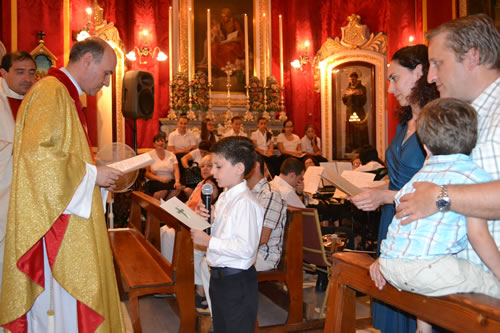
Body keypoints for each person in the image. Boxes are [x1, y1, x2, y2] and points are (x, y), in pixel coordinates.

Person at [0, 37, 125, 332]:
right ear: (87, 61)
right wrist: (93, 176)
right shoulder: (51, 92)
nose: (107, 83)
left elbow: (63, 154)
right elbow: (38, 157)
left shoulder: (63, 94)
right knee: (58, 309)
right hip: (53, 228)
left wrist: (95, 168)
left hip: (63, 216)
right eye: (107, 73)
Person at [371, 98, 500, 333]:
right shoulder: (473, 176)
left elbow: (404, 222)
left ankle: (423, 326)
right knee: (488, 283)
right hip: (425, 270)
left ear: (426, 148)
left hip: (389, 264)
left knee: (431, 258)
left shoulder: (420, 176)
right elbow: (478, 235)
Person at [350, 44, 439, 333]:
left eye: (394, 78)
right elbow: (398, 178)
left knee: (415, 308)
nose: (390, 89)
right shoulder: (404, 124)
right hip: (392, 221)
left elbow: (437, 185)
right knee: (389, 307)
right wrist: (371, 193)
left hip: (419, 223)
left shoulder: (437, 120)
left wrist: (384, 196)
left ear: (419, 72)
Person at [395, 14, 500, 244]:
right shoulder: (463, 115)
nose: (431, 77)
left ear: (472, 57)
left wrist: (439, 196)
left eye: (437, 63)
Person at [190, 137, 263, 333]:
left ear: (239, 168)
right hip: (219, 279)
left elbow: (246, 248)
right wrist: (209, 222)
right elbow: (227, 233)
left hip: (236, 283)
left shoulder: (245, 203)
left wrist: (208, 241)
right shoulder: (223, 197)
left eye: (218, 166)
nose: (212, 172)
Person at [0, 51, 36, 321]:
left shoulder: (37, 103)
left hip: (31, 198)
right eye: (20, 72)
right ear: (3, 73)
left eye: (31, 72)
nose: (27, 78)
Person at [247, 153, 287, 272]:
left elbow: (263, 238)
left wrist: (233, 246)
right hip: (248, 249)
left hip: (264, 255)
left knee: (221, 264)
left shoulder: (270, 194)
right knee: (204, 260)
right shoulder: (246, 192)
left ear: (255, 166)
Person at [144, 133, 182, 200]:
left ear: (165, 144)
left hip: (169, 180)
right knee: (163, 191)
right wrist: (160, 179)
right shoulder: (149, 155)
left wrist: (177, 181)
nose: (160, 143)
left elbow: (176, 169)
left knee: (177, 189)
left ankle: (164, 208)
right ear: (154, 144)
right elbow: (147, 173)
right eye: (158, 141)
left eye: (162, 141)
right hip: (155, 181)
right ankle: (154, 208)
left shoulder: (171, 155)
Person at [211, 8, 245, 72]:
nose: (223, 18)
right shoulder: (221, 24)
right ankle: (220, 68)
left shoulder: (235, 24)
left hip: (234, 44)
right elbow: (219, 36)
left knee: (228, 50)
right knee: (214, 48)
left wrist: (236, 39)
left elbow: (241, 37)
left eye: (225, 17)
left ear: (229, 17)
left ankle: (229, 69)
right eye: (222, 17)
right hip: (224, 43)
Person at [342, 71, 368, 152]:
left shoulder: (362, 88)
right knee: (351, 131)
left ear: (356, 79)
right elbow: (344, 100)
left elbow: (363, 100)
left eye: (354, 79)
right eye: (351, 79)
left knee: (359, 131)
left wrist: (356, 94)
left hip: (358, 112)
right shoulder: (348, 88)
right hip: (349, 112)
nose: (352, 80)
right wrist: (348, 95)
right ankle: (351, 148)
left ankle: (359, 148)